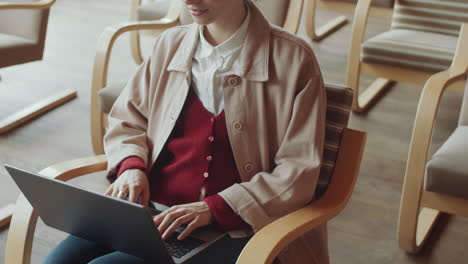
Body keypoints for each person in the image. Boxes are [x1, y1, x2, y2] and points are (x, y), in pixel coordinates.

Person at [43, 0, 328, 263]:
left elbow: (299, 171)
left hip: (232, 229)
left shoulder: (294, 60)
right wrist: (132, 167)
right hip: (146, 212)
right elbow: (128, 119)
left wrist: (213, 208)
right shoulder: (171, 43)